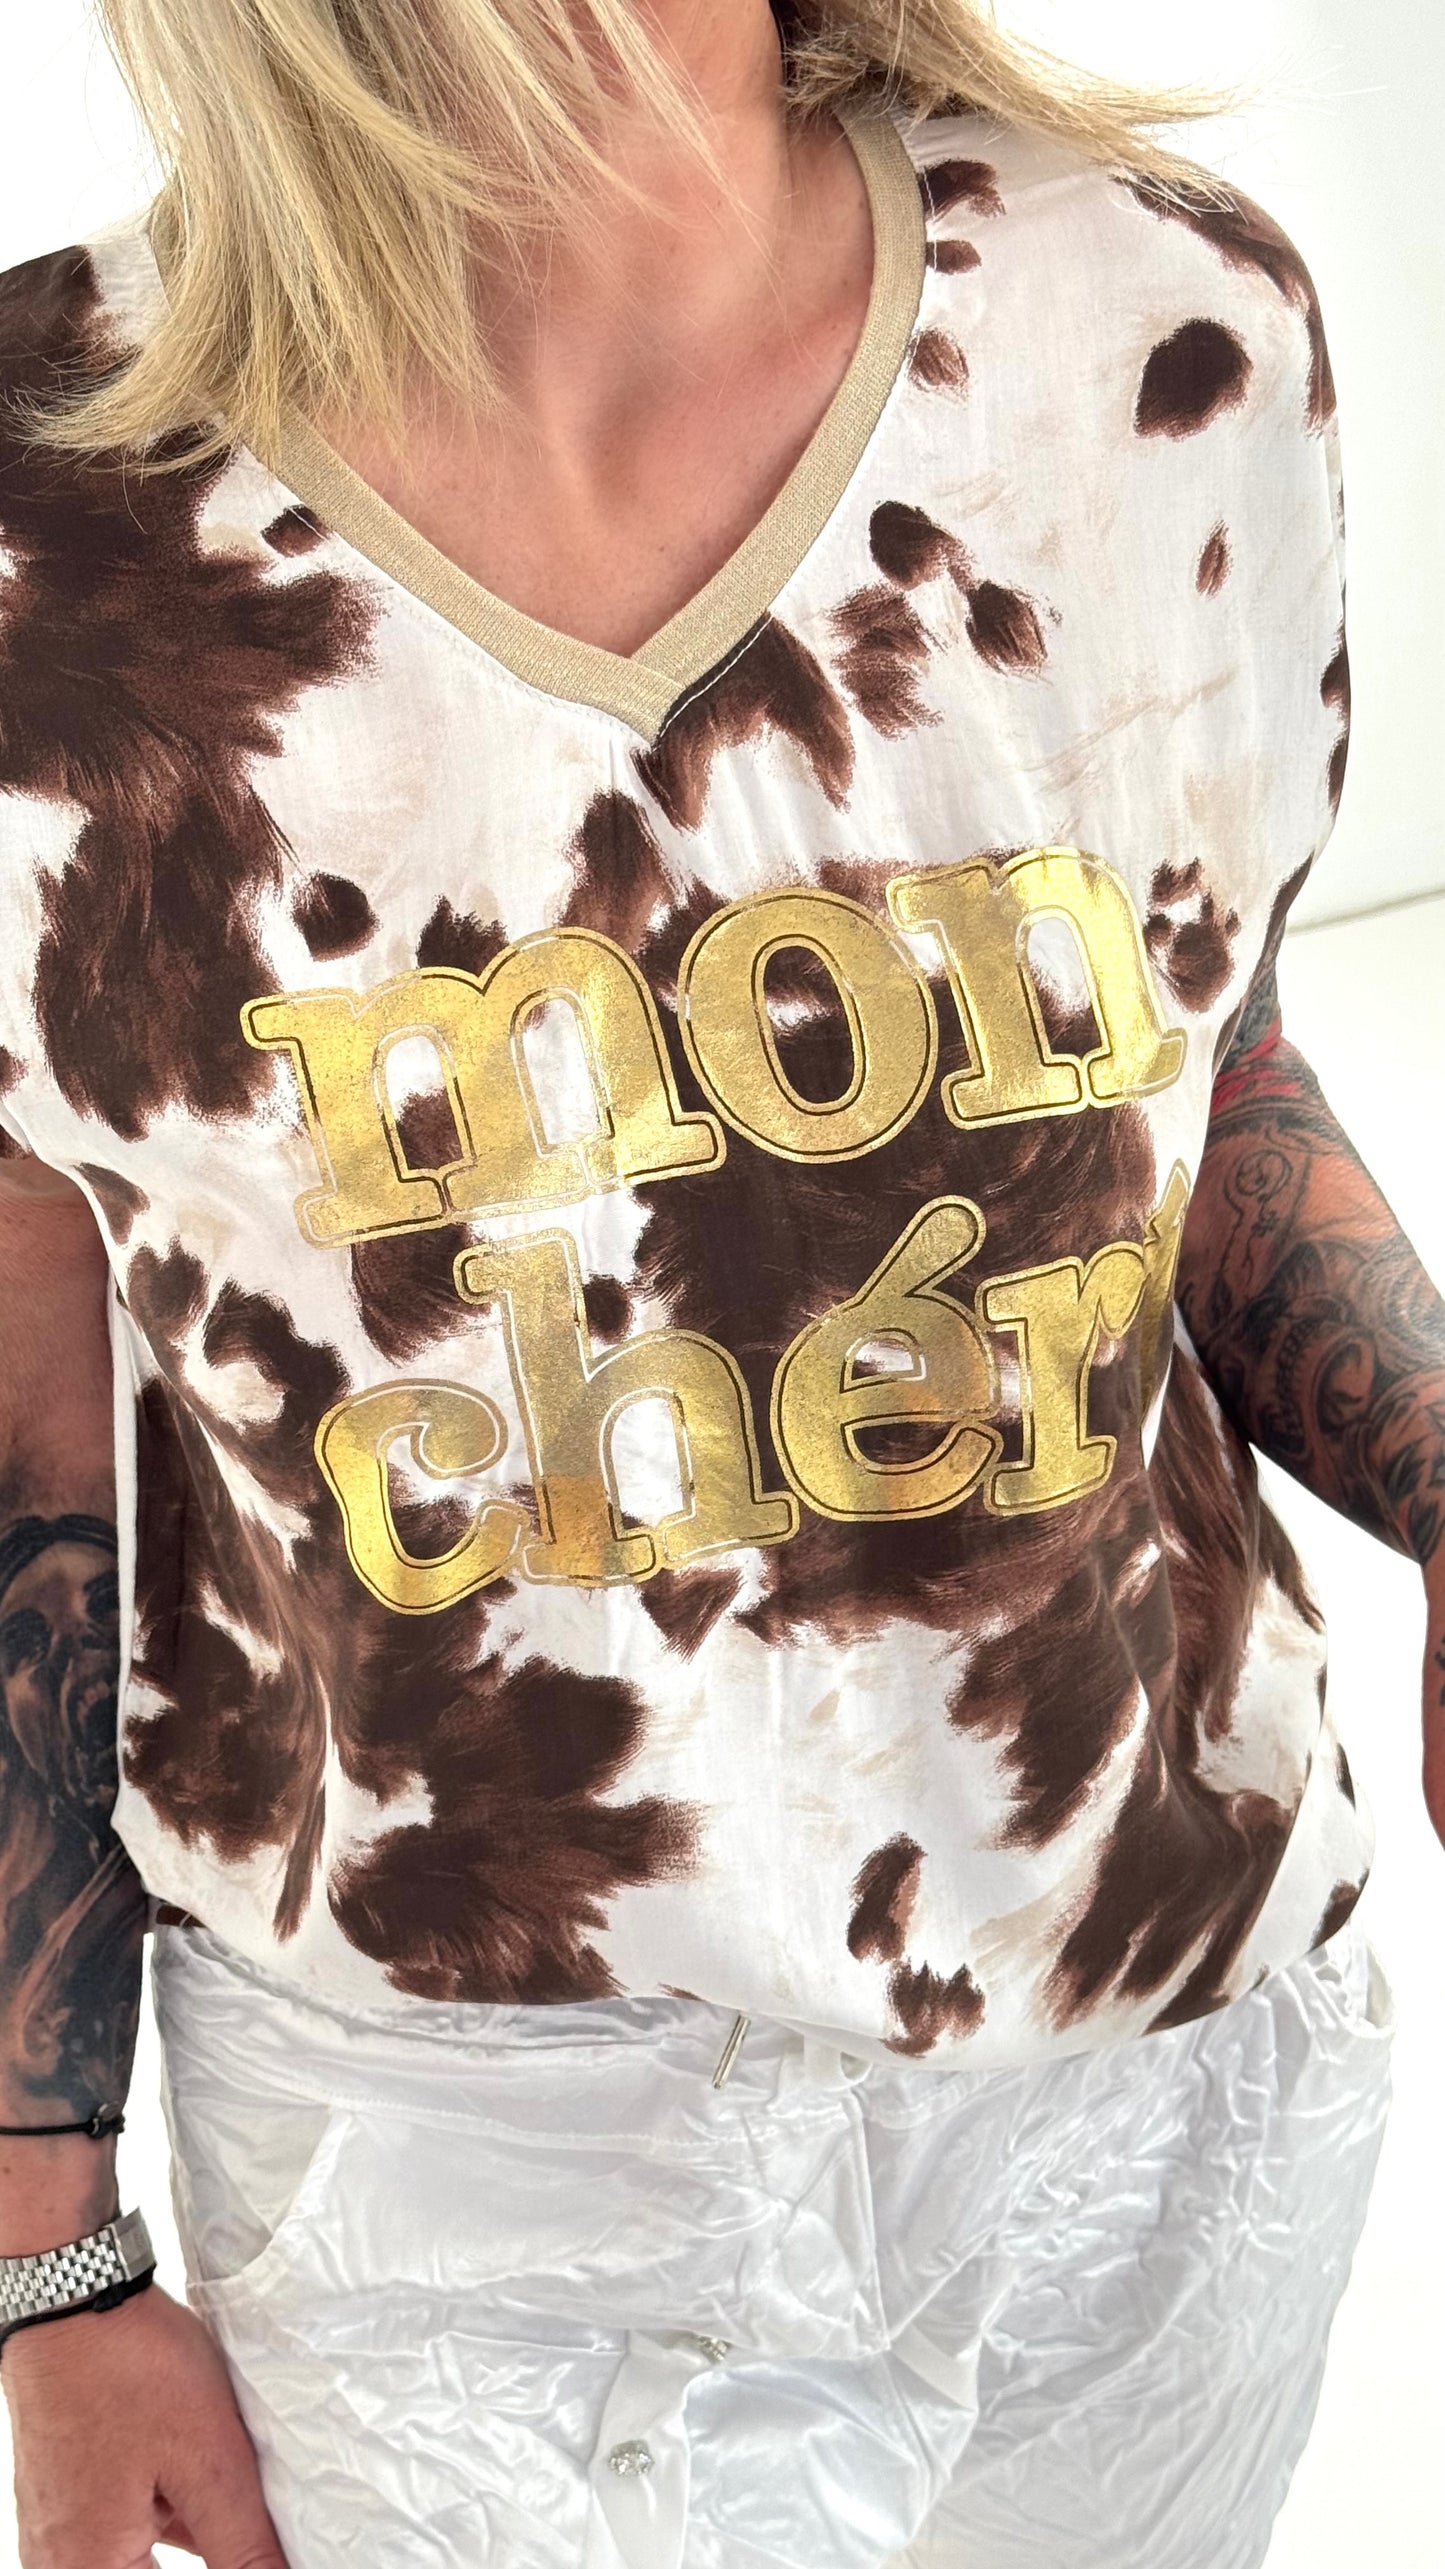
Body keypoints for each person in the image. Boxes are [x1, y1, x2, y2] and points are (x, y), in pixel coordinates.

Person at [0, 1, 1439, 2561]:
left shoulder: (1163, 324)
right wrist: (46, 2250)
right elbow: (26, 1438)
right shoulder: (49, 527)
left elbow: (1184, 1069)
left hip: (1155, 2047)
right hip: (454, 2165)